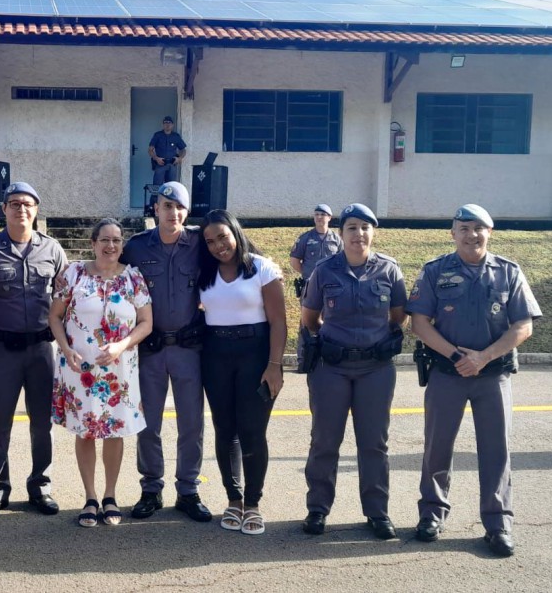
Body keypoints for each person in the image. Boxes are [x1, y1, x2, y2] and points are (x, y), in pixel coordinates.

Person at [407, 204, 541, 558]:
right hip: (447, 375)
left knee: (496, 451)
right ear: (453, 234)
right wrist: (457, 357)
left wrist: (483, 357)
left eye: (479, 227)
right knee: (437, 447)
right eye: (464, 228)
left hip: (492, 376)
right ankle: (432, 516)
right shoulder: (435, 271)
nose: (472, 234)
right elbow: (419, 324)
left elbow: (523, 325)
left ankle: (498, 524)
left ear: (490, 232)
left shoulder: (508, 272)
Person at [299, 203, 407, 540]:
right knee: (325, 441)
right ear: (341, 233)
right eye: (352, 228)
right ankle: (317, 509)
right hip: (332, 368)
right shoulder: (324, 271)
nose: (358, 234)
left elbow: (398, 315)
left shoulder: (389, 270)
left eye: (364, 228)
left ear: (372, 232)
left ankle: (377, 512)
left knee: (374, 443)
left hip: (375, 369)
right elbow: (310, 318)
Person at [0, 182, 67, 520]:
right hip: (2, 349)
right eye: (13, 204)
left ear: (36, 209)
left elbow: (64, 296)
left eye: (27, 204)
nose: (20, 209)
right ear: (4, 209)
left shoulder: (52, 250)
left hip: (41, 348)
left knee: (42, 422)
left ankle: (40, 485)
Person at [50, 218, 151, 527]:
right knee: (86, 431)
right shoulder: (74, 274)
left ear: (122, 246)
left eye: (117, 241)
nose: (111, 246)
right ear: (92, 244)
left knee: (114, 432)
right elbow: (54, 316)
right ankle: (90, 497)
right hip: (80, 370)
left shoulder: (133, 278)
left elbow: (146, 322)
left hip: (119, 370)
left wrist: (122, 344)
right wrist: (66, 349)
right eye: (104, 240)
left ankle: (110, 496)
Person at [120, 182, 211, 522]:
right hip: (151, 348)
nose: (172, 213)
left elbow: (236, 257)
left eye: (179, 207)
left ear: (186, 212)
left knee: (192, 423)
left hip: (189, 348)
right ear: (155, 209)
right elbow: (115, 278)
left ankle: (188, 489)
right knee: (148, 422)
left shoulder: (200, 244)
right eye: (166, 206)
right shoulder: (137, 247)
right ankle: (151, 488)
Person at [198, 209, 285, 535]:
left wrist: (274, 366)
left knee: (252, 430)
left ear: (235, 232)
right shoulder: (205, 274)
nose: (219, 245)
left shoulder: (261, 269)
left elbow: (278, 321)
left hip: (256, 354)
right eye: (210, 241)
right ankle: (233, 499)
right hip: (216, 356)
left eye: (223, 236)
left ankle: (253, 503)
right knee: (225, 429)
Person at [289, 204, 342, 372]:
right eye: (317, 214)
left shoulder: (336, 239)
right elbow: (295, 261)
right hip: (310, 286)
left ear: (329, 218)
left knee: (330, 322)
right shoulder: (305, 238)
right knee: (306, 322)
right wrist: (309, 275)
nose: (319, 217)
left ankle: (326, 359)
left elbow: (342, 261)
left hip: (331, 288)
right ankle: (303, 360)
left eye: (323, 214)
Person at [148, 116, 188, 190]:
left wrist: (179, 158)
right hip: (160, 164)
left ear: (173, 125)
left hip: (172, 164)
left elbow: (183, 150)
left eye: (169, 123)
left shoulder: (176, 136)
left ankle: (168, 202)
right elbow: (150, 150)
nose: (167, 124)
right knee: (156, 188)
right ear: (163, 125)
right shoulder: (157, 135)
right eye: (165, 123)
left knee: (171, 188)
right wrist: (156, 158)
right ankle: (155, 201)